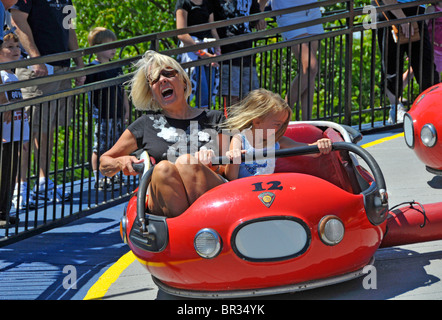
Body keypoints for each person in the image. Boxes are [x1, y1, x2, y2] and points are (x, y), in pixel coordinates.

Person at [99, 50, 228, 218]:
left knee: (186, 162)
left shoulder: (215, 118)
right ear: (152, 94)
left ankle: (196, 231)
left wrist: (214, 164)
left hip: (214, 199)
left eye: (168, 73)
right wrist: (119, 161)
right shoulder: (145, 125)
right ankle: (188, 233)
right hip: (167, 202)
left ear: (183, 81)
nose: (162, 80)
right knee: (163, 169)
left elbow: (231, 169)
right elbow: (104, 163)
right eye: (154, 79)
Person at [10, 0, 85, 203]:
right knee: (26, 131)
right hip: (37, 70)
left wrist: (79, 63)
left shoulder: (67, 0)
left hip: (62, 68)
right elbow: (17, 20)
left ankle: (43, 184)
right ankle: (20, 188)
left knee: (48, 128)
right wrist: (36, 58)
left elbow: (70, 30)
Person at [223, 88, 332, 180]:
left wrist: (321, 145)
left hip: (266, 191)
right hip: (243, 192)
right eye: (277, 124)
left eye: (282, 125)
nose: (280, 129)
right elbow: (230, 178)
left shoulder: (278, 141)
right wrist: (234, 160)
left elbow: (310, 151)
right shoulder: (240, 140)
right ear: (257, 122)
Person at [373, 0, 440, 124]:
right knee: (392, 64)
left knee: (426, 65)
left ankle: (433, 106)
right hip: (391, 12)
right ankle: (395, 108)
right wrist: (402, 18)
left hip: (416, 11)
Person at [258, 0, 324, 120]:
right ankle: (282, 111)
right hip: (289, 12)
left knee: (310, 73)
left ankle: (307, 121)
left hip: (312, 9)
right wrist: (260, 13)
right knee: (311, 66)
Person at [85, 27, 130, 190]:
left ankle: (114, 174)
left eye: (114, 46)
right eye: (109, 46)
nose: (114, 50)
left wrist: (126, 108)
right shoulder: (93, 68)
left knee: (117, 145)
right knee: (100, 146)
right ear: (97, 48)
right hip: (102, 115)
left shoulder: (116, 67)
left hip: (117, 113)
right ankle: (99, 176)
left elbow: (123, 88)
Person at [0, 28, 29, 226]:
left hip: (15, 131)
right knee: (2, 171)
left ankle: (4, 209)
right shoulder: (1, 75)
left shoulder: (13, 75)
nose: (15, 50)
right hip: (4, 132)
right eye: (9, 47)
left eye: (17, 46)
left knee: (11, 171)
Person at [213, 0, 265, 109]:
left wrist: (260, 18)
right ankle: (232, 126)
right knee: (232, 98)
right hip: (227, 54)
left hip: (247, 54)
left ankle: (245, 125)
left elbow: (256, 13)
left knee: (252, 97)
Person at [175, 0, 221, 109]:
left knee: (208, 94)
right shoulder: (184, 3)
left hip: (209, 52)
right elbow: (181, 34)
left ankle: (205, 123)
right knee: (199, 92)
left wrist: (217, 52)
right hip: (191, 53)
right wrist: (203, 54)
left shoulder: (208, 3)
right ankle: (194, 125)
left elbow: (213, 30)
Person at [426, 2, 442, 74]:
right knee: (435, 74)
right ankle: (398, 84)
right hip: (434, 48)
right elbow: (424, 26)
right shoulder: (431, 9)